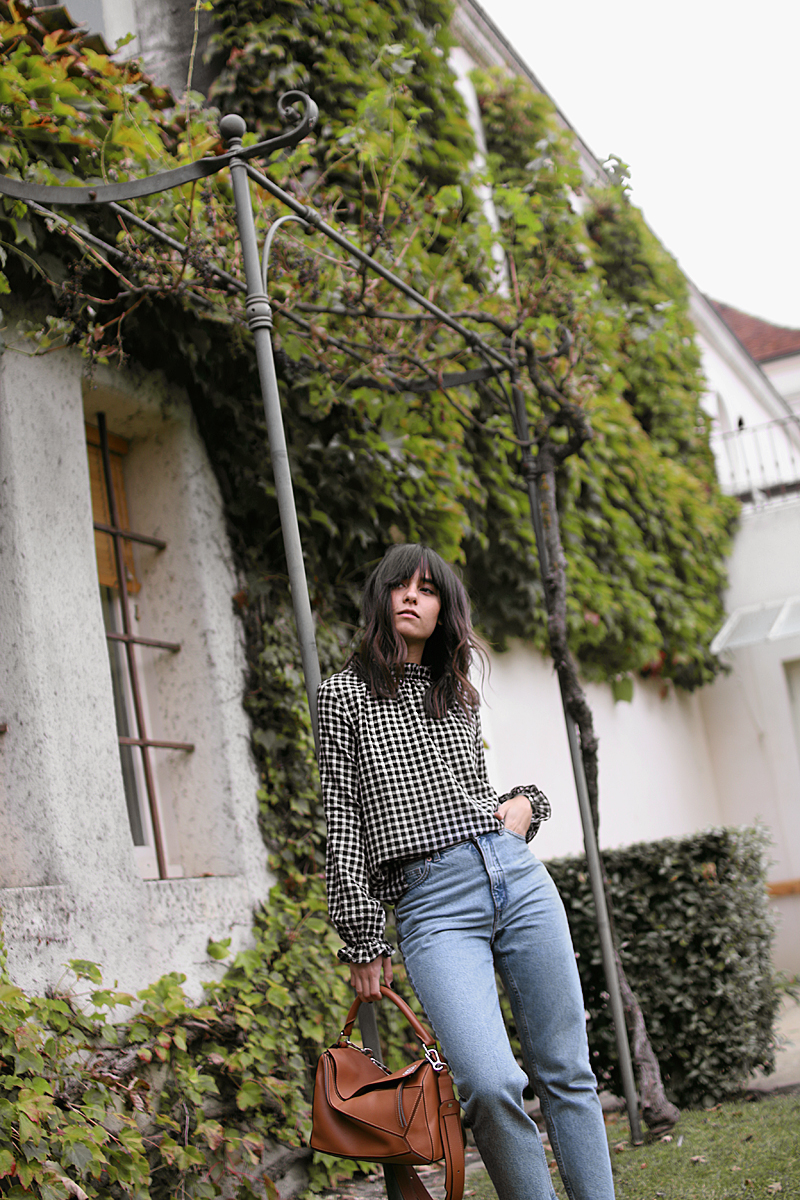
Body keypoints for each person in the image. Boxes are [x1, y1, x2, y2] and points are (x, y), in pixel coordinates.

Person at [317, 543, 615, 1200]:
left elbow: (471, 791)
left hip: (514, 874)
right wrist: (363, 938)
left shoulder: (458, 693)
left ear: (445, 609)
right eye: (401, 584)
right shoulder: (342, 698)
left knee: (567, 1069)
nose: (412, 596)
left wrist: (523, 808)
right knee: (488, 1081)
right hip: (433, 904)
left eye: (428, 588)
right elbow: (341, 821)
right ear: (380, 598)